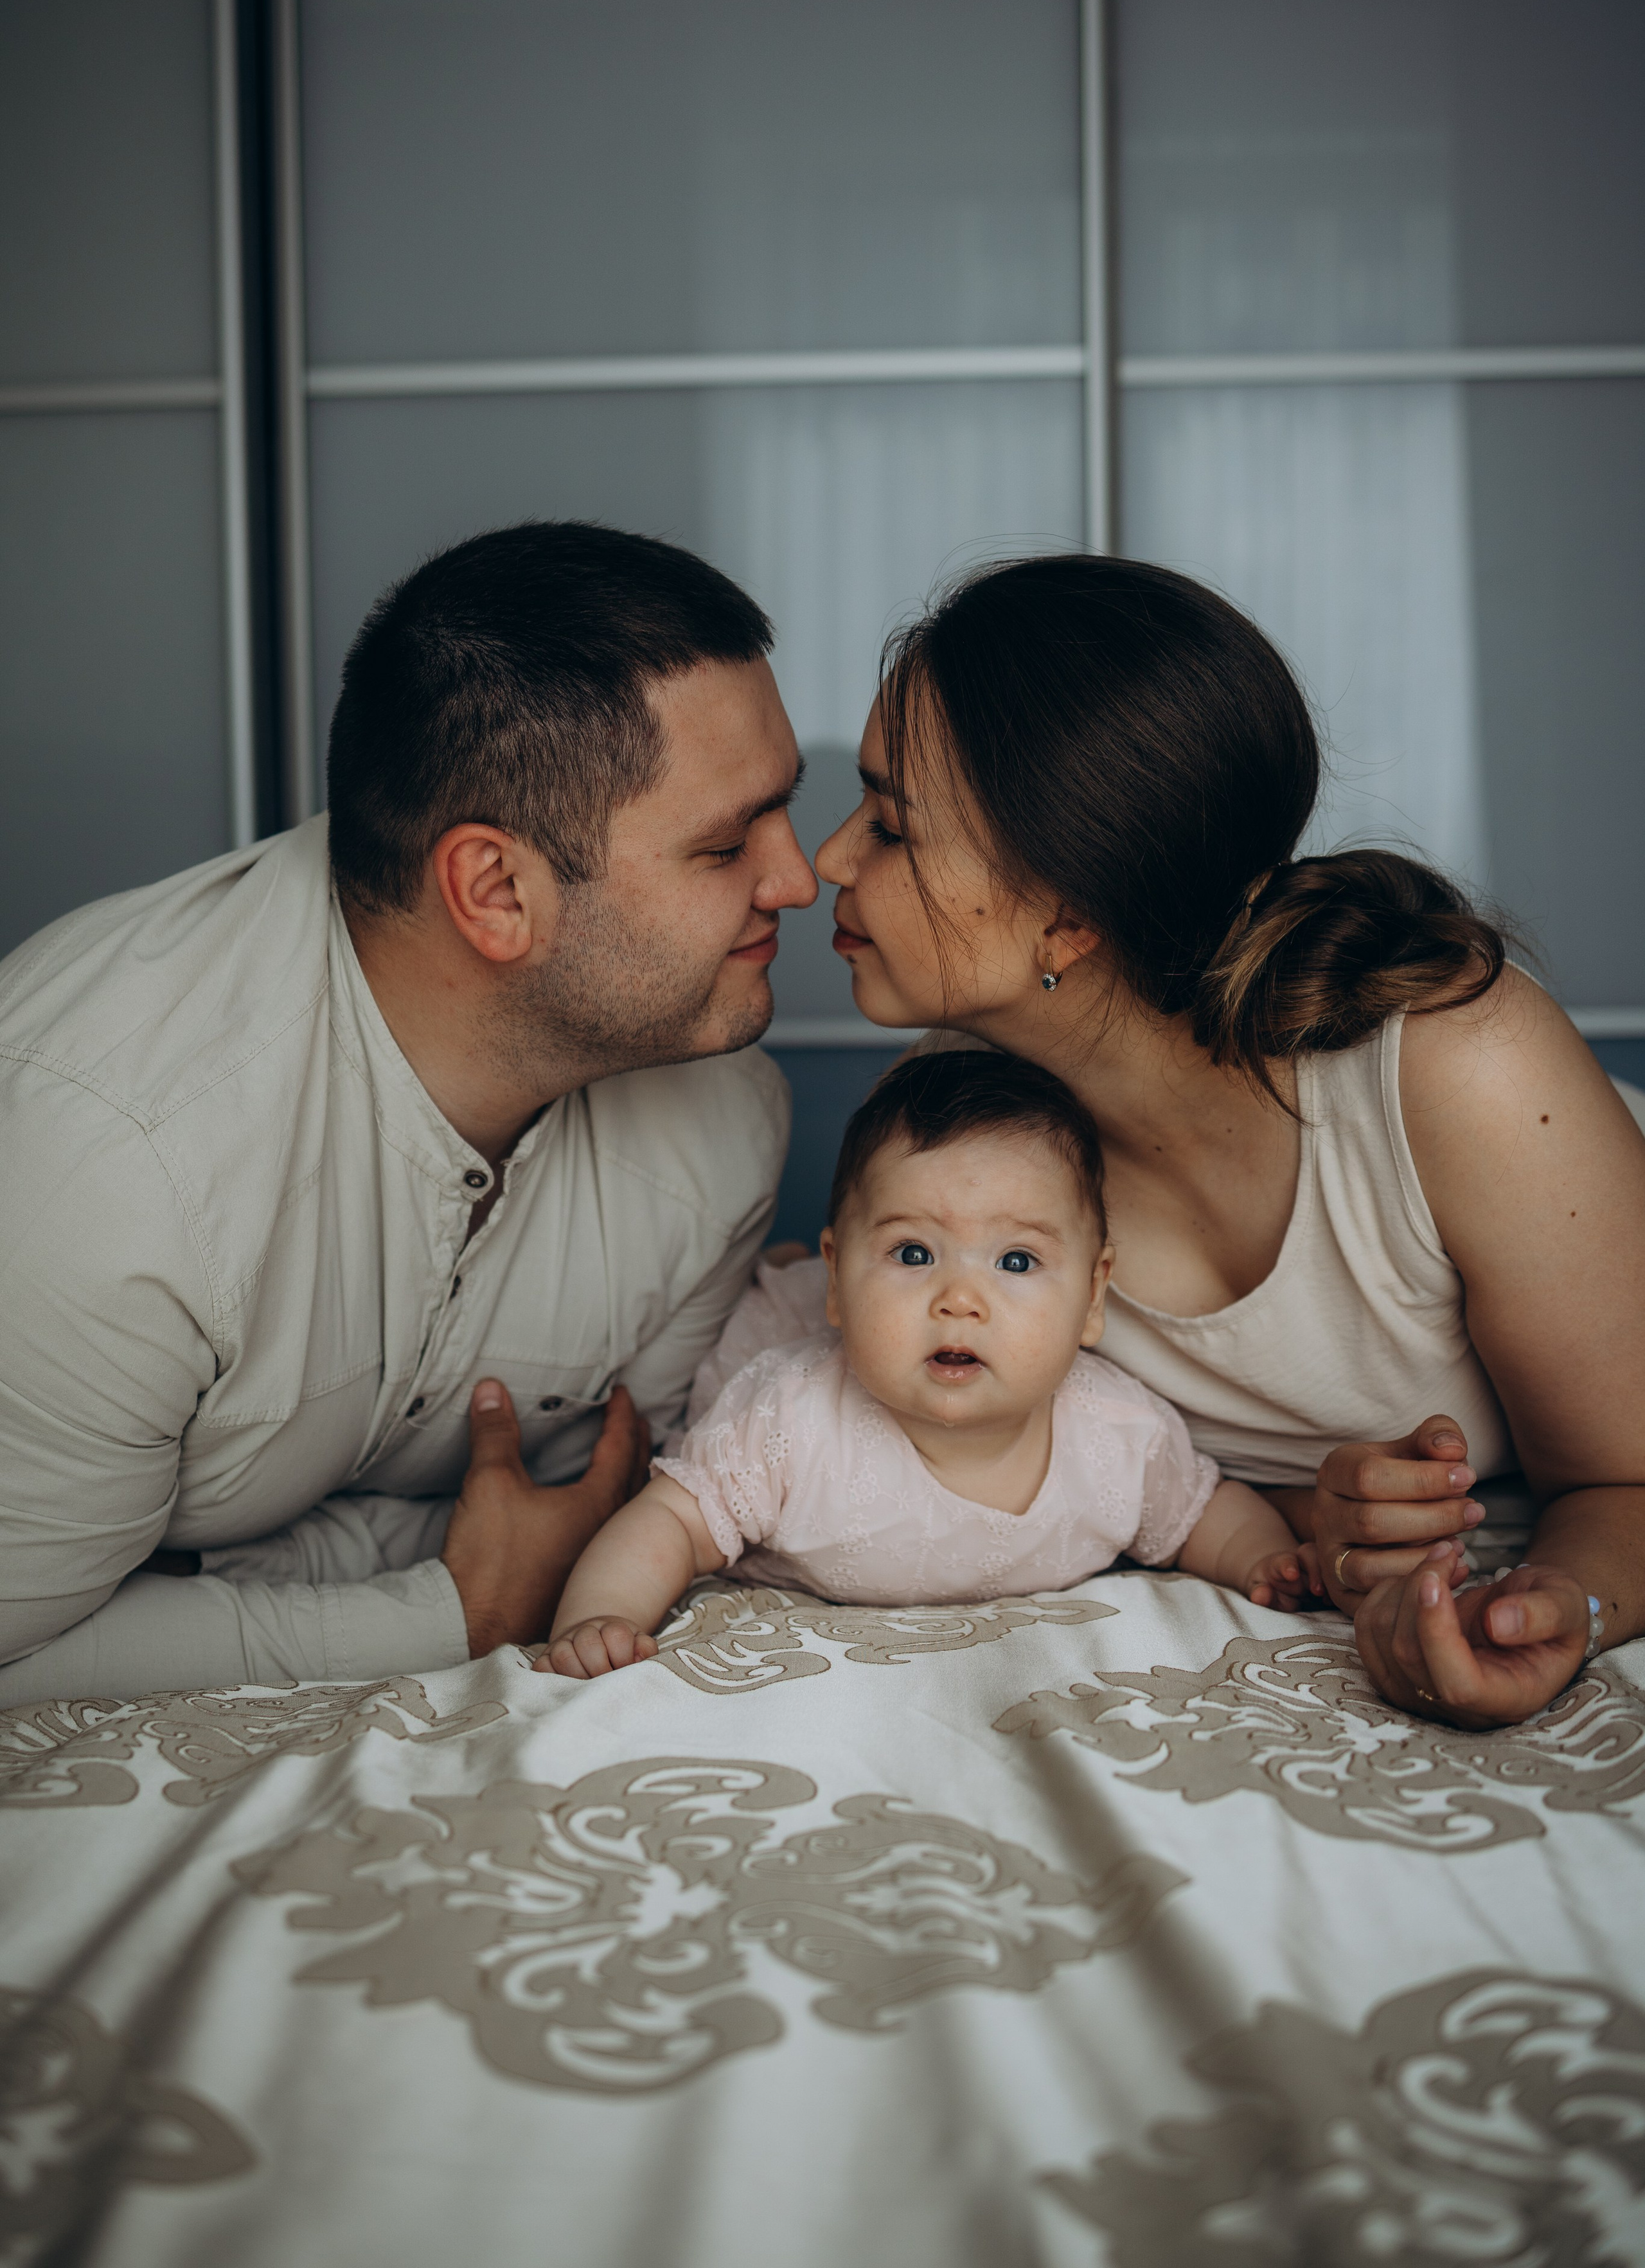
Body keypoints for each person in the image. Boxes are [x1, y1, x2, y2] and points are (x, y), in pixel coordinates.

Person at [806, 553, 1645, 1733]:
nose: (826, 862)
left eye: (889, 825)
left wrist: (1555, 1603)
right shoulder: (958, 1135)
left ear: (1071, 913)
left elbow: (1627, 1474)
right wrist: (1315, 1525)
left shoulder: (1463, 1066)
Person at [0, 521, 817, 1704]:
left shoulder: (723, 1122)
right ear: (495, 892)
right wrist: (458, 1608)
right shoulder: (110, 1169)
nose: (797, 879)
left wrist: (193, 1573)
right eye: (728, 843)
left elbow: (590, 1499)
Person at [544, 1051, 1325, 1677]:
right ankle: (795, 1274)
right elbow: (670, 1522)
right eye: (914, 1252)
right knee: (765, 1318)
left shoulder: (1119, 1433)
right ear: (843, 1282)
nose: (960, 1299)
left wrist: (1265, 1561)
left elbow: (1204, 1514)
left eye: (1016, 1261)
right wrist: (601, 1614)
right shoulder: (786, 1419)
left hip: (843, 1313)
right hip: (784, 1341)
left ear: (1092, 1298)